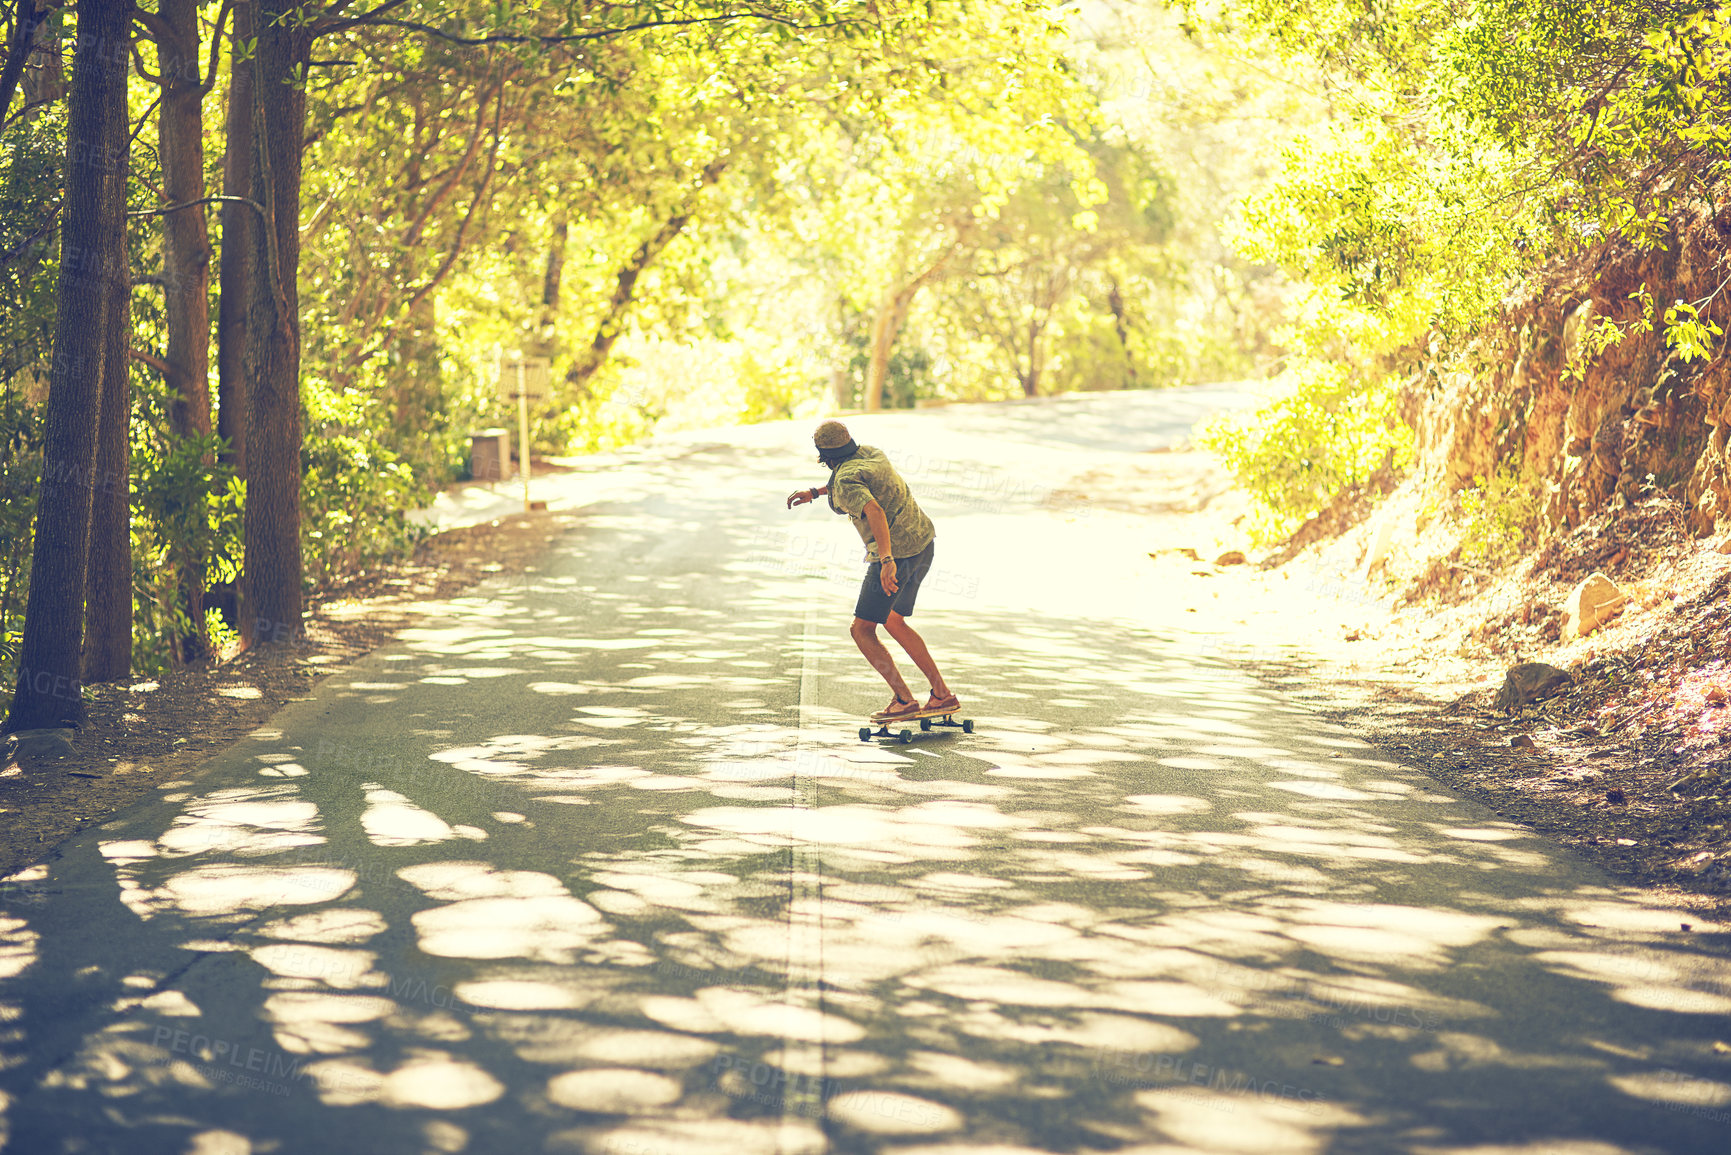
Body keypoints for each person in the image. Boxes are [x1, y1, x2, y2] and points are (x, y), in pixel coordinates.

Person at [786, 420, 958, 721]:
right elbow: (854, 482)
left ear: (823, 456)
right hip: (922, 542)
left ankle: (904, 700)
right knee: (893, 620)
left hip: (896, 556)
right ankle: (942, 695)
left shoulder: (845, 483)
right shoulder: (871, 454)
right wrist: (815, 492)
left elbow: (872, 509)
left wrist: (887, 561)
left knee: (862, 630)